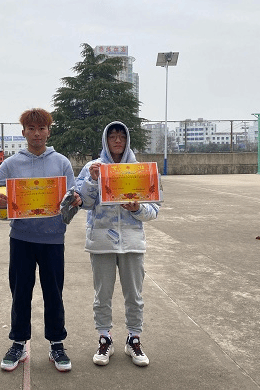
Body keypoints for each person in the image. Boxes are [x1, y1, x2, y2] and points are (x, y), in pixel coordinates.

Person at [0, 108, 81, 373]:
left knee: (54, 293)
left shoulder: (61, 162)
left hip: (53, 239)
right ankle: (18, 343)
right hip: (21, 239)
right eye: (32, 129)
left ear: (49, 131)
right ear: (24, 132)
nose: (37, 134)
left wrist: (75, 201)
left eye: (42, 128)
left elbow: (73, 195)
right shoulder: (13, 163)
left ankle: (57, 344)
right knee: (20, 292)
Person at [75, 121, 160, 367]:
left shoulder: (140, 170)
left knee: (134, 295)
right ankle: (105, 338)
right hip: (101, 241)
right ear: (105, 140)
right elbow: (83, 202)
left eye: (121, 136)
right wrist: (92, 181)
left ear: (127, 139)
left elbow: (154, 209)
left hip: (132, 241)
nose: (117, 140)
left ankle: (134, 338)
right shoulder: (92, 167)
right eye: (112, 136)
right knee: (102, 295)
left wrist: (137, 209)